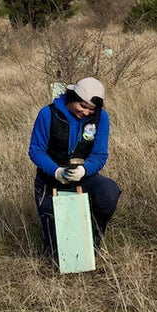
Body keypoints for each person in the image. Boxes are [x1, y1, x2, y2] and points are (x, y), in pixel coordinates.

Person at [28, 77, 121, 259]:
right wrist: (56, 171)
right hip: (50, 181)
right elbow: (36, 151)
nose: (86, 112)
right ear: (72, 97)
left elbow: (100, 155)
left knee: (108, 191)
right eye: (82, 106)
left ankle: (93, 239)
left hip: (84, 178)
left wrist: (84, 170)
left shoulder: (102, 118)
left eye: (91, 109)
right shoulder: (47, 114)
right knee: (57, 254)